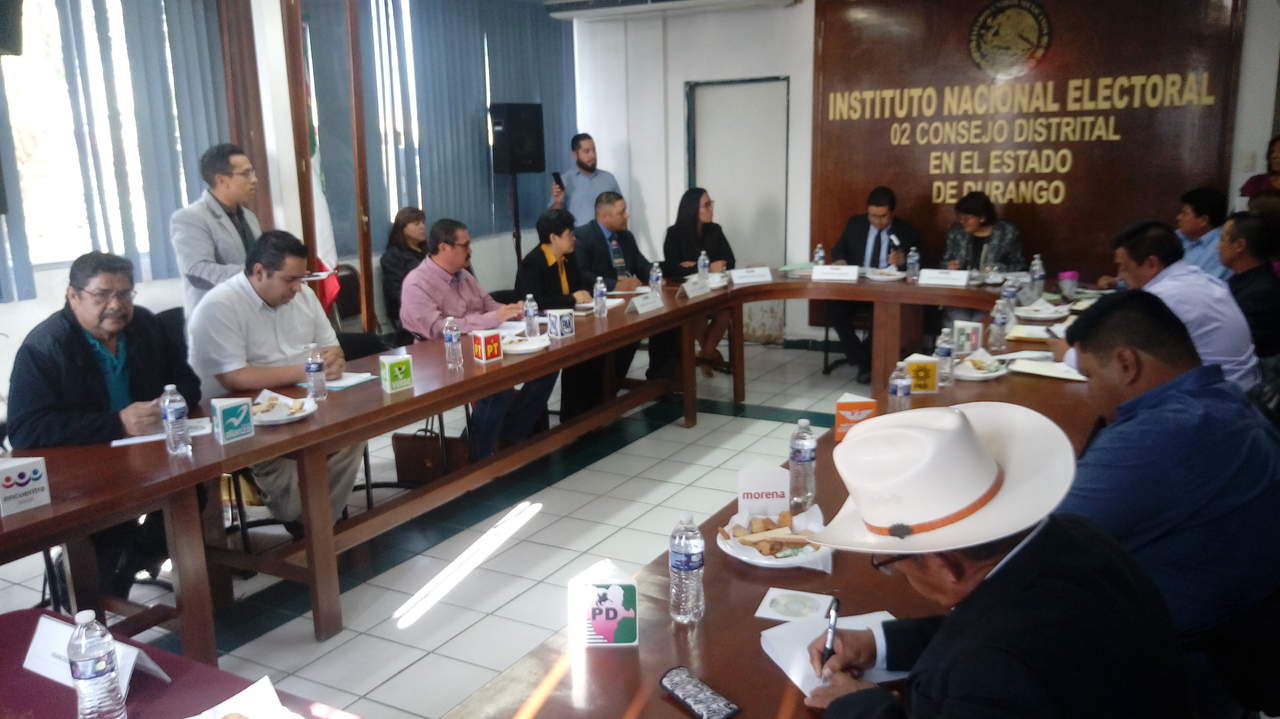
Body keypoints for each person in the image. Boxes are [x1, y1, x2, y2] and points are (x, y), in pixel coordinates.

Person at [803, 404, 1191, 718]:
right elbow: (988, 622)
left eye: (891, 564)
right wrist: (878, 642)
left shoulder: (989, 671)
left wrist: (857, 705)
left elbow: (994, 649)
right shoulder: (1074, 536)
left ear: (944, 565)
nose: (896, 574)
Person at [1059, 290, 1280, 715]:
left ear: (1127, 363)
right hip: (1237, 636)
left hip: (1184, 665)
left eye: (1089, 377)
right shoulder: (1222, 401)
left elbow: (1038, 542)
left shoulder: (1166, 433)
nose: (1088, 394)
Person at [8, 252, 201, 596]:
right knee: (109, 531)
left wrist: (167, 404)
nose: (116, 305)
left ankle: (137, 563)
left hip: (147, 455)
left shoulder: (144, 325)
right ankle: (96, 584)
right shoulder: (45, 347)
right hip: (82, 470)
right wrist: (117, 423)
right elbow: (26, 430)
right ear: (73, 295)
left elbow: (188, 384)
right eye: (102, 295)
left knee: (193, 493)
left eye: (125, 294)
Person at [187, 231, 361, 534]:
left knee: (352, 433)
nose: (297, 288)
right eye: (289, 279)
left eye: (301, 278)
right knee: (292, 503)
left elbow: (332, 348)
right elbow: (235, 377)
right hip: (243, 419)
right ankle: (313, 527)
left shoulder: (304, 296)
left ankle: (314, 531)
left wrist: (333, 361)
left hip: (303, 406)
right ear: (259, 272)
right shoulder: (220, 305)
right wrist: (308, 370)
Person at [399, 219, 557, 458]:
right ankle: (479, 456)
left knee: (547, 366)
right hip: (441, 358)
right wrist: (492, 318)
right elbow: (438, 329)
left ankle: (508, 438)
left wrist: (511, 310)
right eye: (465, 245)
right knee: (497, 387)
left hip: (482, 347)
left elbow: (488, 305)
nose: (470, 250)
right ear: (444, 247)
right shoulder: (417, 282)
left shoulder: (463, 275)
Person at [1059, 221, 1259, 390]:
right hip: (1240, 390)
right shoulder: (1198, 277)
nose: (1119, 276)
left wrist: (1067, 354)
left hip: (1214, 401)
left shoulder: (1165, 296)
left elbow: (1120, 359)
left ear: (1151, 264)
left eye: (1124, 267)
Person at [827, 186, 921, 382]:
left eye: (883, 216)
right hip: (856, 286)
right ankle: (863, 359)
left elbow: (920, 262)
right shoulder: (855, 224)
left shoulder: (906, 230)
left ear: (892, 212)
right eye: (873, 216)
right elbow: (838, 250)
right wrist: (840, 260)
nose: (877, 221)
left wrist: (903, 261)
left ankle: (864, 365)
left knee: (881, 315)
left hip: (888, 289)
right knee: (834, 310)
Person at [573, 191, 667, 381]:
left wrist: (655, 276)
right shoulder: (582, 236)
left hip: (629, 302)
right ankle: (606, 387)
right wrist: (614, 285)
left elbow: (641, 263)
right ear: (604, 215)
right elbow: (582, 274)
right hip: (601, 305)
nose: (627, 215)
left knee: (663, 325)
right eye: (621, 212)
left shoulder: (626, 236)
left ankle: (659, 381)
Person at [515, 209, 599, 419]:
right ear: (553, 238)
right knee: (573, 358)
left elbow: (580, 286)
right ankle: (572, 418)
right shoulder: (533, 263)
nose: (574, 238)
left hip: (571, 323)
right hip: (542, 329)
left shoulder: (568, 257)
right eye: (570, 234)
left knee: (590, 354)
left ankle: (583, 415)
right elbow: (535, 301)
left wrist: (582, 294)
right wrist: (572, 299)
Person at [171, 143, 262, 317]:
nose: (254, 179)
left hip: (250, 314)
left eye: (253, 172)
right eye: (246, 173)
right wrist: (260, 274)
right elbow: (198, 272)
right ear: (221, 180)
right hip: (214, 317)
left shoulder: (249, 217)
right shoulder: (190, 218)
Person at [662, 187, 736, 376]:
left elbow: (730, 261)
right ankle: (710, 356)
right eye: (706, 205)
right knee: (697, 313)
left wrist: (691, 266)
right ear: (692, 208)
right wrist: (706, 267)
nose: (711, 208)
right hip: (688, 294)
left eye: (711, 204)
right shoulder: (674, 234)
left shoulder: (715, 230)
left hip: (714, 291)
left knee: (726, 312)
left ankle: (706, 354)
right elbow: (671, 268)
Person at [1219, 211, 1280, 359]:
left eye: (1222, 240)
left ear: (1239, 245)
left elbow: (1237, 347)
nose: (1217, 246)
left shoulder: (1261, 293)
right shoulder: (1244, 278)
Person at [548, 132, 621, 225]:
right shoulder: (565, 181)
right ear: (575, 155)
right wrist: (558, 202)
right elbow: (553, 220)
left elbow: (621, 211)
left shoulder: (609, 179)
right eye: (586, 151)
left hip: (608, 234)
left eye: (594, 150)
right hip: (578, 233)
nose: (592, 155)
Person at [942, 191, 1024, 271]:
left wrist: (997, 268)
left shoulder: (1007, 232)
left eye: (966, 219)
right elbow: (944, 262)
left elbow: (1019, 265)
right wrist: (948, 266)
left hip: (994, 279)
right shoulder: (956, 233)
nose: (962, 221)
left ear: (982, 218)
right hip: (963, 279)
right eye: (960, 218)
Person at [380, 207, 428, 344]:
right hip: (409, 310)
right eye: (416, 224)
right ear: (403, 229)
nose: (422, 227)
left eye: (423, 223)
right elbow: (396, 293)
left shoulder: (430, 251)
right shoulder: (392, 257)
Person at [1174, 186, 1232, 280]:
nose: (1178, 217)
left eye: (1184, 214)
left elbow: (1205, 285)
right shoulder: (1177, 235)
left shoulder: (1221, 247)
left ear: (1203, 220)